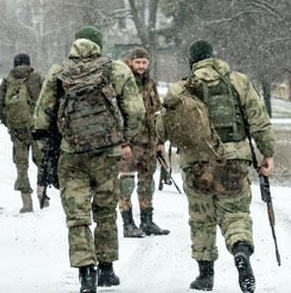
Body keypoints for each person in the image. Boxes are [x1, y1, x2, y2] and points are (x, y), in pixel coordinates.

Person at [157, 39, 275, 293]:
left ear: (192, 62)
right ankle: (241, 249)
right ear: (214, 57)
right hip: (234, 159)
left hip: (196, 163)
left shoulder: (181, 88)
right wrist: (267, 153)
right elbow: (259, 120)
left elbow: (161, 129)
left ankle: (205, 276)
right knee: (235, 213)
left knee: (201, 219)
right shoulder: (238, 81)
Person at [33, 26, 144, 293]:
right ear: (99, 45)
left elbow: (41, 117)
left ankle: (85, 272)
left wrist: (46, 152)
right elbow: (136, 111)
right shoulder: (116, 70)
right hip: (107, 153)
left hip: (71, 154)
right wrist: (121, 137)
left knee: (78, 215)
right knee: (105, 210)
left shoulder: (58, 72)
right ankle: (106, 270)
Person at [118, 47, 169, 238]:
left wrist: (160, 140)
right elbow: (119, 114)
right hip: (130, 143)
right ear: (130, 62)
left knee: (147, 182)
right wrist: (124, 143)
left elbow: (157, 112)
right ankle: (128, 223)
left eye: (144, 62)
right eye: (137, 62)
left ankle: (147, 221)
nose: (141, 66)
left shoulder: (150, 82)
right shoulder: (123, 81)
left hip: (149, 142)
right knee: (126, 182)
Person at [0, 53, 45, 213]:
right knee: (42, 161)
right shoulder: (37, 78)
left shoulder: (7, 81)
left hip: (17, 130)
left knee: (21, 165)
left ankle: (26, 202)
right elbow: (47, 100)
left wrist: (10, 123)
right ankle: (42, 195)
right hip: (37, 128)